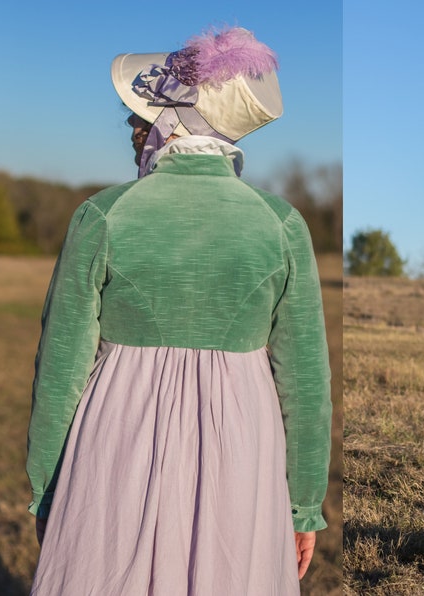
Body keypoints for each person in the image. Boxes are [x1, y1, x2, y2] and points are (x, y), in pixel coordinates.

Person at [26, 26, 332, 594]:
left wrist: (48, 488)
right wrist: (303, 505)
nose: (131, 127)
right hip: (243, 446)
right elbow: (306, 382)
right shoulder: (281, 224)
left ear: (172, 123)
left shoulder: (104, 215)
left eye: (139, 116)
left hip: (116, 438)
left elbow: (60, 367)